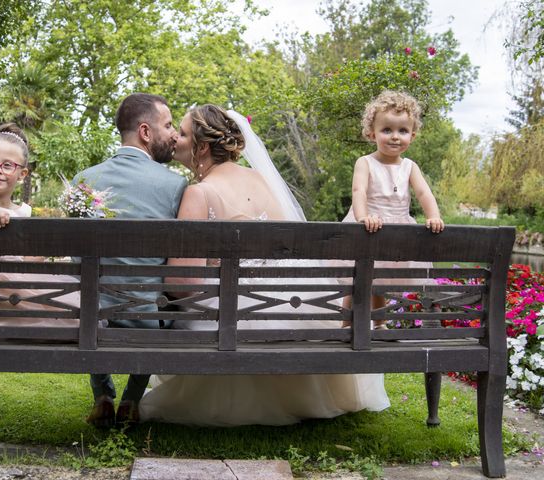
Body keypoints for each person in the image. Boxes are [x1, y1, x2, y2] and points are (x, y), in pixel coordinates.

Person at [137, 104, 390, 426]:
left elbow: (182, 283)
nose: (175, 139)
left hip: (233, 310)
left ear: (201, 147)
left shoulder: (199, 193)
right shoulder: (262, 180)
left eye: (183, 133)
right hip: (296, 299)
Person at [72, 93, 187, 428]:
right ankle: (131, 399)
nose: (174, 135)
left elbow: (76, 261)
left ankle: (102, 395)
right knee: (165, 297)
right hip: (147, 318)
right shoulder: (175, 185)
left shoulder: (84, 180)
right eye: (167, 125)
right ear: (146, 132)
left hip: (95, 315)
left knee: (91, 293)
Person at [0, 123, 79, 327]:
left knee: (71, 306)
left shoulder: (24, 211)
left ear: (22, 174)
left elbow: (25, 258)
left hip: (14, 287)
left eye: (7, 165)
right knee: (64, 313)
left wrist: (41, 252)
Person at [340, 90, 444, 329]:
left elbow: (424, 193)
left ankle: (379, 324)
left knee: (381, 278)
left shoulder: (410, 166)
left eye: (403, 131)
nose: (395, 137)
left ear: (413, 135)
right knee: (356, 278)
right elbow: (359, 192)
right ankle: (346, 323)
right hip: (369, 224)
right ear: (371, 133)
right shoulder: (365, 162)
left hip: (397, 228)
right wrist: (363, 216)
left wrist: (434, 216)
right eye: (387, 130)